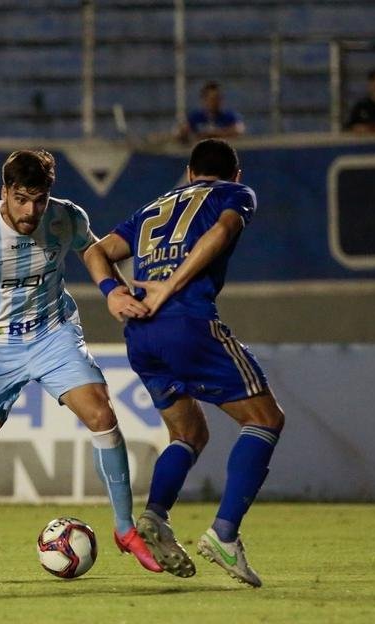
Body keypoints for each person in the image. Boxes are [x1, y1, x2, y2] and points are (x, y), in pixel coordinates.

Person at [0, 149, 161, 580]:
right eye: (21, 199)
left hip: (53, 335)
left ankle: (125, 529)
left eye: (39, 199)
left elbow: (94, 252)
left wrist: (114, 289)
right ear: (4, 192)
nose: (31, 210)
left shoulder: (66, 218)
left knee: (102, 414)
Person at [83, 138, 283, 588]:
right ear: (236, 174)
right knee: (266, 419)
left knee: (189, 433)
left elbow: (94, 250)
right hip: (186, 323)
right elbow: (224, 231)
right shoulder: (234, 194)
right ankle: (224, 534)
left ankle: (154, 516)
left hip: (141, 334)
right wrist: (171, 285)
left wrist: (112, 292)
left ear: (190, 174)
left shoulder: (156, 207)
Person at [178, 82, 244, 142]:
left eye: (218, 98)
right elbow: (182, 132)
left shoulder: (230, 116)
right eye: (212, 99)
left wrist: (212, 134)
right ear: (204, 99)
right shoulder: (194, 117)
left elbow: (238, 130)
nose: (215, 102)